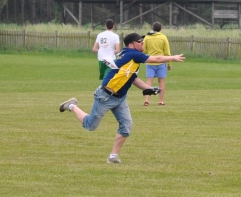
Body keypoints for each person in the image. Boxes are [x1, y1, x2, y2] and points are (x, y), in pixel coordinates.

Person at [60, 32, 186, 164]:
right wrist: (173, 57)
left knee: (126, 126)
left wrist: (148, 88)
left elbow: (133, 78)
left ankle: (113, 157)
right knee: (90, 125)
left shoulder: (130, 57)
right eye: (140, 41)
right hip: (105, 96)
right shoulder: (133, 54)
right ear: (131, 45)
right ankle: (71, 106)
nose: (143, 43)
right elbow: (157, 59)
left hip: (120, 98)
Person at [143, 22, 172, 106]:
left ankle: (147, 100)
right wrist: (169, 63)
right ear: (161, 29)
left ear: (152, 28)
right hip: (161, 62)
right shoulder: (163, 37)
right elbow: (167, 51)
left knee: (149, 81)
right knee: (161, 81)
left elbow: (144, 50)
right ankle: (161, 100)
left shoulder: (147, 37)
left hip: (150, 61)